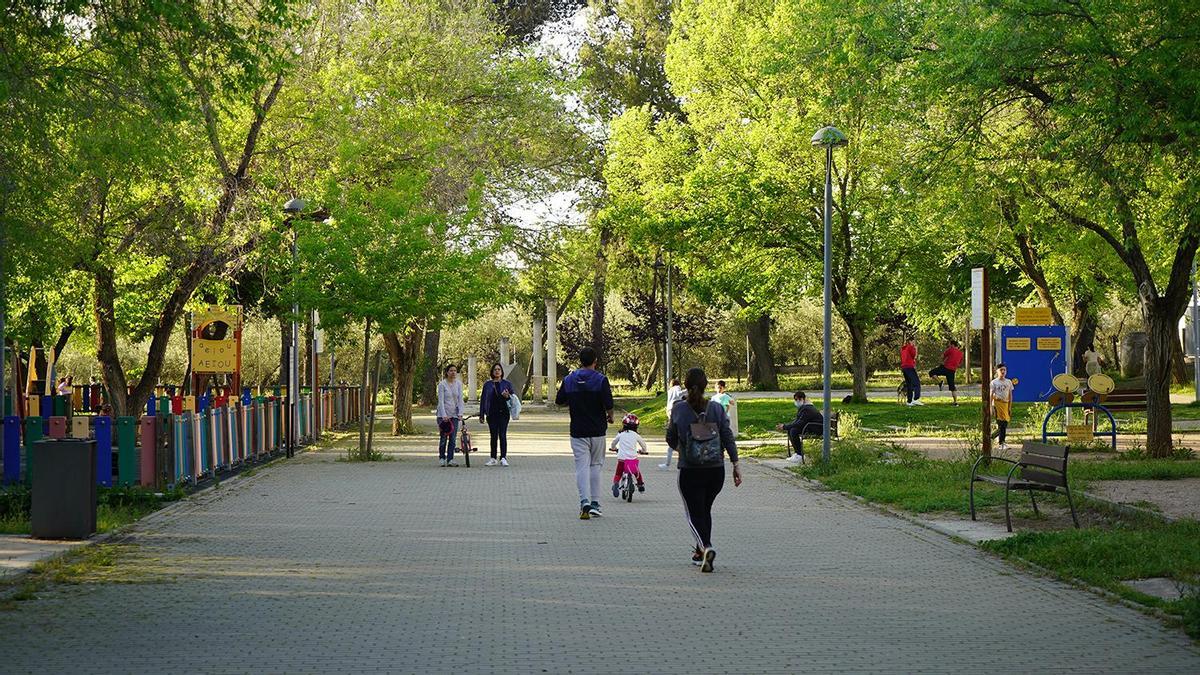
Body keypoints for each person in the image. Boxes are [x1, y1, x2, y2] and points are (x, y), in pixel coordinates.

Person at [666, 367, 742, 573]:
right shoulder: (716, 408)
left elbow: (670, 438)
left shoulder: (678, 408)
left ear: (686, 385)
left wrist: (683, 449)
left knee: (693, 514)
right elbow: (727, 436)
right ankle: (700, 553)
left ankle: (706, 547)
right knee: (704, 510)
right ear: (706, 385)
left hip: (690, 470)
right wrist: (736, 464)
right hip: (715, 470)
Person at [556, 347, 615, 519]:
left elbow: (559, 401)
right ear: (595, 361)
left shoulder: (569, 379)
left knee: (581, 467)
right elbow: (609, 404)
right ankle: (596, 503)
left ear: (580, 361)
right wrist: (610, 417)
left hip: (577, 430)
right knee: (595, 465)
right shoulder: (601, 380)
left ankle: (584, 502)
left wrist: (573, 401)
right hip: (597, 430)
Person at [479, 363, 514, 467]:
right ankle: (493, 458)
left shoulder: (507, 383)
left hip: (504, 413)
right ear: (492, 372)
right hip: (491, 413)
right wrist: (481, 414)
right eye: (495, 370)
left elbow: (513, 397)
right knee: (493, 436)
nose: (497, 371)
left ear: (502, 372)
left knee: (502, 435)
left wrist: (507, 396)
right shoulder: (487, 384)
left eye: (499, 369)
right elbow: (483, 400)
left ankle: (503, 457)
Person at [776, 391, 823, 464]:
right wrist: (786, 426)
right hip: (810, 427)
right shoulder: (804, 408)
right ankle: (798, 453)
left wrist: (785, 426)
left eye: (799, 399)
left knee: (793, 430)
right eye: (795, 399)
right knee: (791, 429)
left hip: (816, 428)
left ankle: (799, 455)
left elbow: (800, 423)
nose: (797, 401)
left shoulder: (807, 409)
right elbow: (797, 421)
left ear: (803, 399)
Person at [610, 413, 648, 496]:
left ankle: (616, 484)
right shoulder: (636, 435)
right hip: (632, 458)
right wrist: (643, 451)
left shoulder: (621, 434)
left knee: (618, 473)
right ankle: (640, 484)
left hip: (622, 458)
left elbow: (613, 442)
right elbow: (643, 445)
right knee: (636, 472)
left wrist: (613, 448)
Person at [436, 364, 464, 467]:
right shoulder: (442, 385)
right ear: (447, 372)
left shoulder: (459, 384)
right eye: (451, 370)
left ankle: (450, 459)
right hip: (443, 415)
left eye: (455, 371)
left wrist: (460, 413)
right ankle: (442, 457)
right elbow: (441, 401)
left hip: (454, 415)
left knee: (453, 438)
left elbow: (460, 400)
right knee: (443, 437)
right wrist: (443, 415)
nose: (453, 372)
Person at [929, 339, 964, 406]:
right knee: (952, 387)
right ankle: (955, 402)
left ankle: (940, 382)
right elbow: (959, 364)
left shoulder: (950, 349)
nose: (949, 345)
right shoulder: (961, 353)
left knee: (931, 372)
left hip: (945, 368)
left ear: (952, 345)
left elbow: (942, 356)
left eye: (949, 344)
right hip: (952, 371)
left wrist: (942, 361)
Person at [659, 377, 684, 469]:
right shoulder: (677, 388)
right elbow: (679, 394)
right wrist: (688, 390)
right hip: (675, 409)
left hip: (669, 409)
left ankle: (667, 464)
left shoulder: (670, 390)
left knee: (671, 446)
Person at [990, 363, 1014, 451]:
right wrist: (991, 407)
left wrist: (1010, 407)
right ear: (997, 371)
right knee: (1001, 424)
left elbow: (1010, 395)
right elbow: (991, 395)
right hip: (997, 404)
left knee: (1005, 424)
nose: (1003, 371)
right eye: (1001, 370)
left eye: (1004, 370)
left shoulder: (1008, 382)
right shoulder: (994, 382)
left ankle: (991, 437)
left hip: (1006, 404)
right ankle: (1001, 443)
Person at [900, 336, 923, 406]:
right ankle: (916, 399)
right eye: (913, 341)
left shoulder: (903, 348)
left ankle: (909, 401)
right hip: (909, 367)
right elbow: (914, 356)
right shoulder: (910, 347)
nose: (914, 343)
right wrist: (916, 349)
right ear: (910, 341)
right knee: (917, 383)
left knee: (909, 384)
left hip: (904, 368)